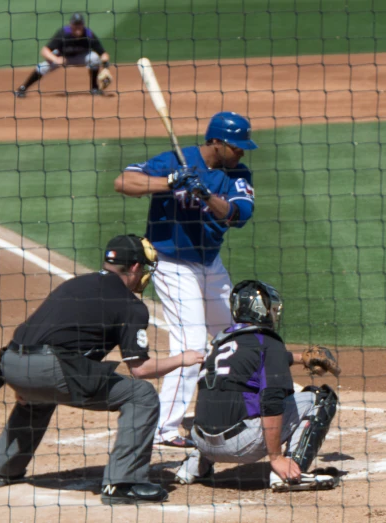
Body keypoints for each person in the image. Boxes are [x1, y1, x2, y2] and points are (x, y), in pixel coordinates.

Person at [0, 234, 204, 505]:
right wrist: (184, 358)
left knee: (43, 395)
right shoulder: (130, 305)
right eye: (144, 268)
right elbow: (141, 369)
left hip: (11, 362)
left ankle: (2, 468)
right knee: (142, 395)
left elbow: (38, 330)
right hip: (49, 368)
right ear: (135, 267)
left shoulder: (77, 283)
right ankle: (123, 484)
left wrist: (25, 381)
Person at [113, 111, 258, 448]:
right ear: (217, 142)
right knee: (191, 345)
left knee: (236, 334)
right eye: (236, 147)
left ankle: (255, 401)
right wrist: (169, 182)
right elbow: (123, 182)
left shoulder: (237, 173)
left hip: (210, 264)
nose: (241, 153)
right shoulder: (177, 160)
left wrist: (205, 194)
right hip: (172, 264)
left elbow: (239, 215)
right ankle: (163, 428)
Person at [174, 280, 342, 492]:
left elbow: (251, 363)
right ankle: (289, 471)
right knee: (320, 398)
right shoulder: (269, 342)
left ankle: (194, 466)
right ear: (260, 310)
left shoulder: (220, 342)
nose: (274, 314)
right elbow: (272, 401)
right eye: (272, 309)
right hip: (240, 446)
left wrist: (300, 358)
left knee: (223, 394)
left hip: (201, 441)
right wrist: (275, 457)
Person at [15, 12, 110, 97]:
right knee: (42, 67)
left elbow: (103, 53)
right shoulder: (63, 34)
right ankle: (23, 88)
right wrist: (55, 59)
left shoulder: (88, 34)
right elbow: (44, 50)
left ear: (83, 25)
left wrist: (105, 66)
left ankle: (94, 88)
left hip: (81, 58)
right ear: (71, 25)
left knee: (94, 58)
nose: (77, 27)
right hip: (63, 58)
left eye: (79, 24)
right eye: (75, 24)